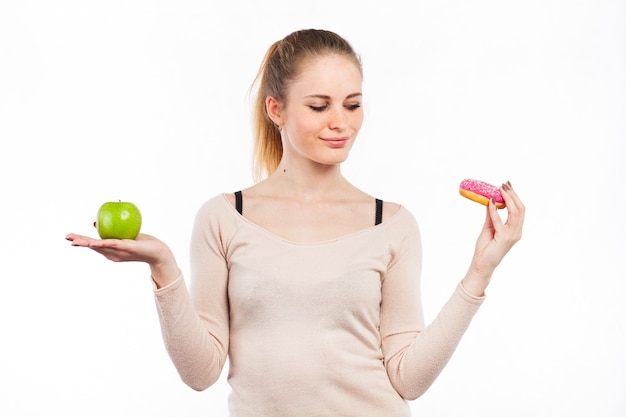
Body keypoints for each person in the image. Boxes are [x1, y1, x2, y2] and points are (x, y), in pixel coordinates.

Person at [66, 29, 525, 417]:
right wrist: (163, 268)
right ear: (276, 110)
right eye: (319, 105)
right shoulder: (224, 218)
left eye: (352, 104)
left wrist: (480, 272)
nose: (340, 123)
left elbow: (408, 379)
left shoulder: (394, 225)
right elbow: (200, 372)